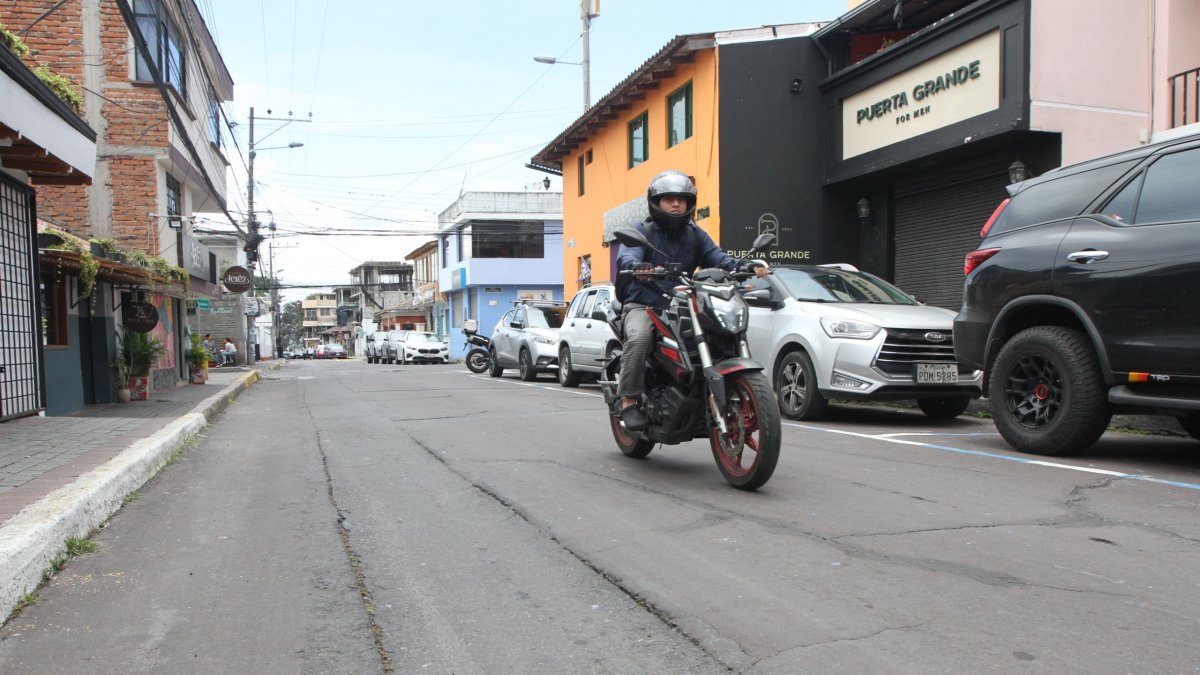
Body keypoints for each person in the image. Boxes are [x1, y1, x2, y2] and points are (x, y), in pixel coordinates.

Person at [615, 170, 768, 431]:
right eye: (669, 199)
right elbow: (627, 256)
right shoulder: (643, 231)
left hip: (683, 300)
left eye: (681, 200)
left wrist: (743, 266)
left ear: (689, 203)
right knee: (640, 337)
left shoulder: (694, 234)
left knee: (721, 331)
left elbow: (717, 257)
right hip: (646, 303)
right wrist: (637, 266)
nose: (676, 204)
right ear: (656, 202)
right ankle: (628, 399)